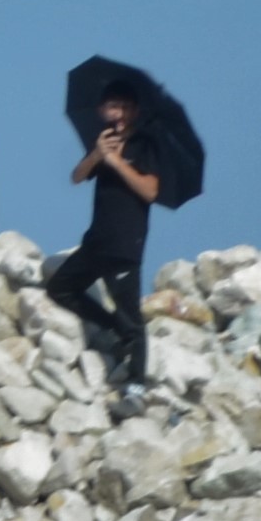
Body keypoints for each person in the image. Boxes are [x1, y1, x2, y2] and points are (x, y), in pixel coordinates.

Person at [49, 87, 161, 396]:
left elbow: (151, 191)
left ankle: (137, 384)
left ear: (135, 112)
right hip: (96, 240)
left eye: (125, 107)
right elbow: (76, 177)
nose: (119, 114)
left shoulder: (146, 145)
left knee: (132, 318)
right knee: (59, 288)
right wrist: (98, 155)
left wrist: (117, 163)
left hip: (126, 245)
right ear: (102, 111)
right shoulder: (103, 142)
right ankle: (113, 330)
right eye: (114, 107)